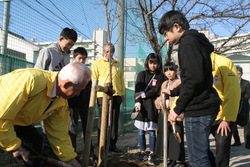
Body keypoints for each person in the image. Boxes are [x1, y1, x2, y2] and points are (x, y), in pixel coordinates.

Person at [158, 10, 221, 167]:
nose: (166, 39)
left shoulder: (187, 43)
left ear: (177, 27)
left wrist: (176, 109)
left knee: (197, 159)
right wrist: (172, 91)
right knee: (203, 153)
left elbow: (193, 81)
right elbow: (192, 79)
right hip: (205, 104)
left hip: (199, 108)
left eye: (166, 34)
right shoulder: (195, 41)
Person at [0, 62, 91, 167]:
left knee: (35, 142)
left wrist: (70, 158)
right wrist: (13, 146)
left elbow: (58, 133)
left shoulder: (61, 102)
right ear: (66, 84)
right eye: (77, 90)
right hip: (3, 116)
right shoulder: (30, 80)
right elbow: (2, 116)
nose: (77, 94)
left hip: (16, 121)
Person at [90, 43, 125, 152]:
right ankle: (102, 144)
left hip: (116, 94)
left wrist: (122, 93)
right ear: (103, 52)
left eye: (111, 51)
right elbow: (93, 80)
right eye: (106, 51)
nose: (109, 54)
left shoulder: (117, 64)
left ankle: (112, 144)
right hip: (102, 95)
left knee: (114, 120)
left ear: (113, 52)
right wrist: (94, 95)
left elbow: (121, 80)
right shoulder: (97, 63)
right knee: (103, 120)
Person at [207, 52, 241, 167]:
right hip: (204, 113)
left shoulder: (225, 63)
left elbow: (233, 92)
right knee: (199, 147)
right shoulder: (196, 63)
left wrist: (226, 118)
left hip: (222, 116)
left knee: (222, 149)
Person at [134, 53, 165, 165]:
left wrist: (143, 95)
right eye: (151, 63)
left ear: (158, 64)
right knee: (141, 131)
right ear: (147, 62)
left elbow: (156, 90)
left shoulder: (161, 76)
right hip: (141, 106)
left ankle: (152, 153)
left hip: (152, 106)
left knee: (152, 132)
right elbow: (137, 89)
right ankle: (143, 152)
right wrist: (137, 102)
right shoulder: (141, 74)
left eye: (155, 63)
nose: (153, 65)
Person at [155, 62, 187, 167]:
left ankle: (177, 159)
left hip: (175, 114)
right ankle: (168, 157)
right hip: (164, 113)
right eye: (166, 70)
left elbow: (181, 98)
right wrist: (159, 103)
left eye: (171, 70)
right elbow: (159, 97)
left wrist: (169, 104)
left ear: (176, 71)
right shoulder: (164, 83)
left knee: (176, 136)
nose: (168, 73)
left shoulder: (180, 82)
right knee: (165, 135)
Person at [68, 47, 92, 151]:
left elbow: (90, 89)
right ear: (74, 58)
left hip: (86, 105)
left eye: (84, 58)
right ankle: (73, 153)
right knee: (73, 130)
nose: (82, 61)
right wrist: (69, 107)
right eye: (80, 58)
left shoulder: (87, 72)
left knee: (88, 129)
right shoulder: (69, 71)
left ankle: (89, 152)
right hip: (74, 106)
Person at [231, 66, 250, 149]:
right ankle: (237, 140)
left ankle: (248, 142)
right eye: (236, 73)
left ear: (241, 74)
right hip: (233, 106)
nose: (237, 75)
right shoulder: (231, 82)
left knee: (246, 124)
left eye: (239, 73)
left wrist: (241, 99)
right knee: (233, 124)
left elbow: (248, 94)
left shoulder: (246, 83)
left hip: (243, 106)